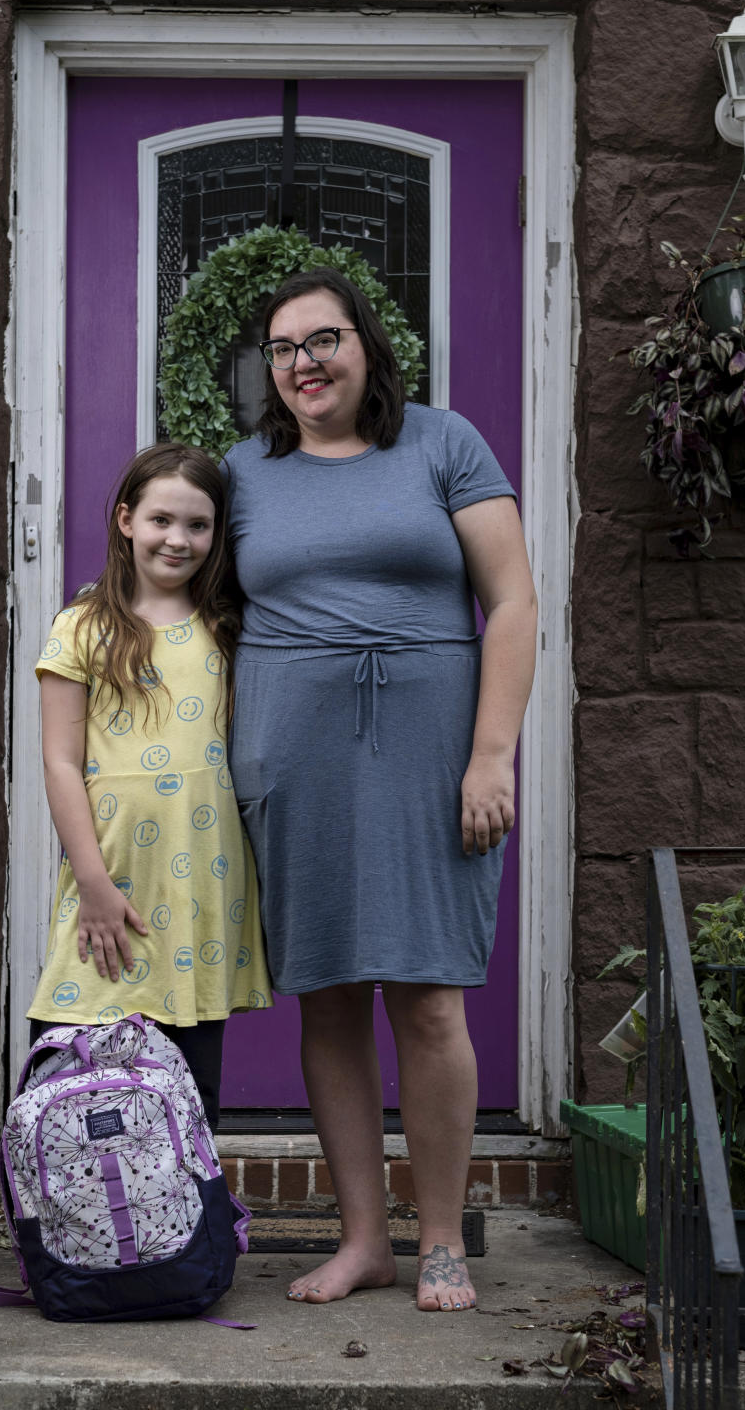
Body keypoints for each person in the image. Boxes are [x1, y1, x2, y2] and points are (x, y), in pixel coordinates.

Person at [224, 267, 537, 1311]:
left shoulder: (443, 443)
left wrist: (491, 754)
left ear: (366, 344)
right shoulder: (243, 473)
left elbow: (515, 601)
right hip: (289, 757)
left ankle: (441, 1238)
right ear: (269, 372)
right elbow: (180, 604)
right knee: (327, 999)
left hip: (427, 753)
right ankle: (365, 1240)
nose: (305, 362)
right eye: (283, 348)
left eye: (324, 339)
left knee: (428, 994)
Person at [27, 443, 272, 1133]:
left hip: (200, 887)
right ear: (126, 519)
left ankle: (185, 1236)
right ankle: (73, 1232)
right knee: (74, 1071)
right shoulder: (83, 628)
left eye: (199, 525)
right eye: (162, 519)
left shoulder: (229, 632)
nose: (179, 539)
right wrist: (96, 885)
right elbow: (60, 764)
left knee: (190, 1089)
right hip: (112, 881)